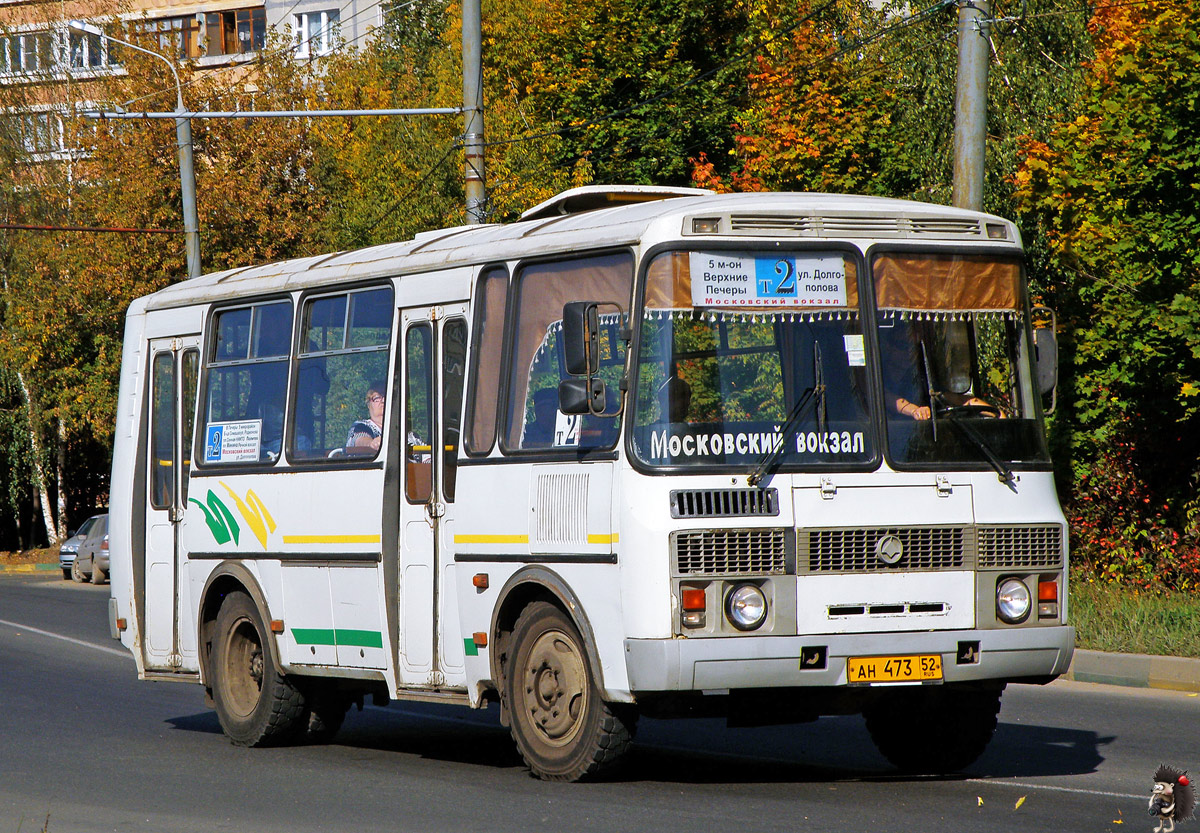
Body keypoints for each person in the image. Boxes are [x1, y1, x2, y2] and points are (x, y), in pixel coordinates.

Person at [346, 380, 386, 452]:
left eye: (386, 396)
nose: (383, 401)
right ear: (368, 404)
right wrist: (371, 443)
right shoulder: (361, 426)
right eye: (377, 398)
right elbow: (359, 438)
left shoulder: (404, 428)